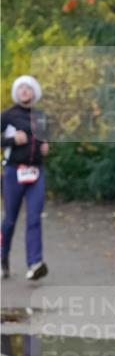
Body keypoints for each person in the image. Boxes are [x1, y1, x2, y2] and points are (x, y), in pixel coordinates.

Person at [1, 75, 49, 281]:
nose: (24, 91)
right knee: (10, 220)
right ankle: (2, 259)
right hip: (13, 172)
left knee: (34, 217)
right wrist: (12, 139)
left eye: (28, 88)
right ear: (16, 92)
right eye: (20, 88)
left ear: (34, 92)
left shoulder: (41, 116)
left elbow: (43, 138)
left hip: (36, 172)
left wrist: (45, 146)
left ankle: (34, 264)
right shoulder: (8, 115)